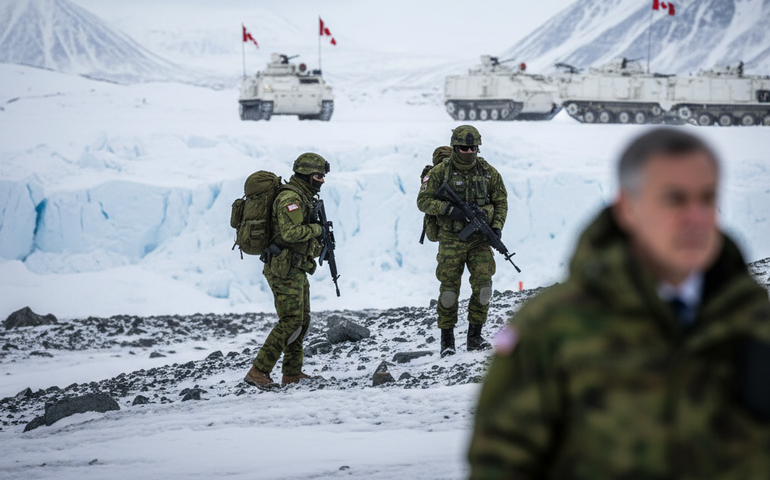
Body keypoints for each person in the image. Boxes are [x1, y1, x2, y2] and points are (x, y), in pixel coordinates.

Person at [468, 128, 770, 479]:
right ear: (628, 208)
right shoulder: (553, 328)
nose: (696, 217)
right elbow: (500, 462)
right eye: (674, 199)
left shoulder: (753, 318)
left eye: (706, 198)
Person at [417, 125, 508, 357]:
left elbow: (501, 201)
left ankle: (474, 338)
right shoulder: (439, 173)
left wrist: (496, 226)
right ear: (455, 147)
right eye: (463, 148)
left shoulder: (489, 173)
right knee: (449, 292)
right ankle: (447, 341)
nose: (468, 152)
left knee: (484, 289)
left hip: (480, 240)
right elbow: (423, 201)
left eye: (472, 148)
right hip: (451, 239)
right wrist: (447, 209)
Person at [243, 153, 329, 388]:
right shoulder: (290, 198)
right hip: (283, 268)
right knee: (290, 320)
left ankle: (292, 373)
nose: (321, 181)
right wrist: (316, 230)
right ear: (305, 175)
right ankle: (258, 370)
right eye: (317, 176)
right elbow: (292, 233)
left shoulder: (302, 196)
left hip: (296, 266)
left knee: (302, 320)